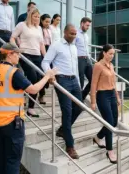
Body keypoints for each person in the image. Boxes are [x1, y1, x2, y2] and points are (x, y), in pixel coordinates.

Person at [0, 43, 56, 174]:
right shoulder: (13, 73)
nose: (19, 56)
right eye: (17, 53)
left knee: (0, 160)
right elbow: (34, 89)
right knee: (12, 162)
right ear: (9, 54)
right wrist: (47, 76)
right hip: (11, 124)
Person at [41, 24, 82, 159]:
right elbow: (45, 62)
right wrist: (50, 74)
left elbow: (75, 66)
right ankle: (70, 146)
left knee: (80, 107)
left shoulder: (74, 47)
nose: (74, 36)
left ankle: (63, 130)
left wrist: (79, 82)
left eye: (75, 34)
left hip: (74, 80)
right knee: (67, 111)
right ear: (65, 32)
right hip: (62, 79)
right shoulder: (56, 45)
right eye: (71, 33)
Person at [10, 8, 47, 116]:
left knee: (38, 79)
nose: (37, 19)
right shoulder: (22, 25)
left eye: (38, 17)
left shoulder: (39, 28)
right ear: (30, 16)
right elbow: (12, 38)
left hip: (37, 56)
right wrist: (17, 49)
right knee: (33, 78)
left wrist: (46, 58)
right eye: (35, 16)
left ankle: (30, 107)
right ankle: (29, 105)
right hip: (25, 54)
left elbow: (41, 45)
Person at [90, 44, 121, 164]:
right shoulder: (98, 66)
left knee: (114, 122)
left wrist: (117, 96)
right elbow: (93, 84)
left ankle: (98, 137)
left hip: (112, 94)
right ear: (104, 53)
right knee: (109, 123)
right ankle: (110, 151)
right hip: (102, 95)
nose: (112, 56)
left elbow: (113, 82)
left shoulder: (111, 65)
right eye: (110, 54)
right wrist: (92, 101)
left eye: (113, 54)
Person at [75, 17, 93, 100]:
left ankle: (82, 97)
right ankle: (78, 100)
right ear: (82, 23)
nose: (88, 27)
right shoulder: (76, 34)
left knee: (93, 79)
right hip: (79, 59)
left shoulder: (86, 35)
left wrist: (89, 58)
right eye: (87, 25)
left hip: (87, 59)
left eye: (89, 26)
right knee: (81, 81)